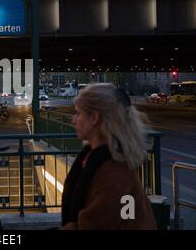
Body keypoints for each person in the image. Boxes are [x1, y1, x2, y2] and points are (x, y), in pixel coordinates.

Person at [61, 83, 157, 230]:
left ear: (94, 118)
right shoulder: (97, 157)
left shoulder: (114, 172)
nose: (74, 120)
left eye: (78, 113)